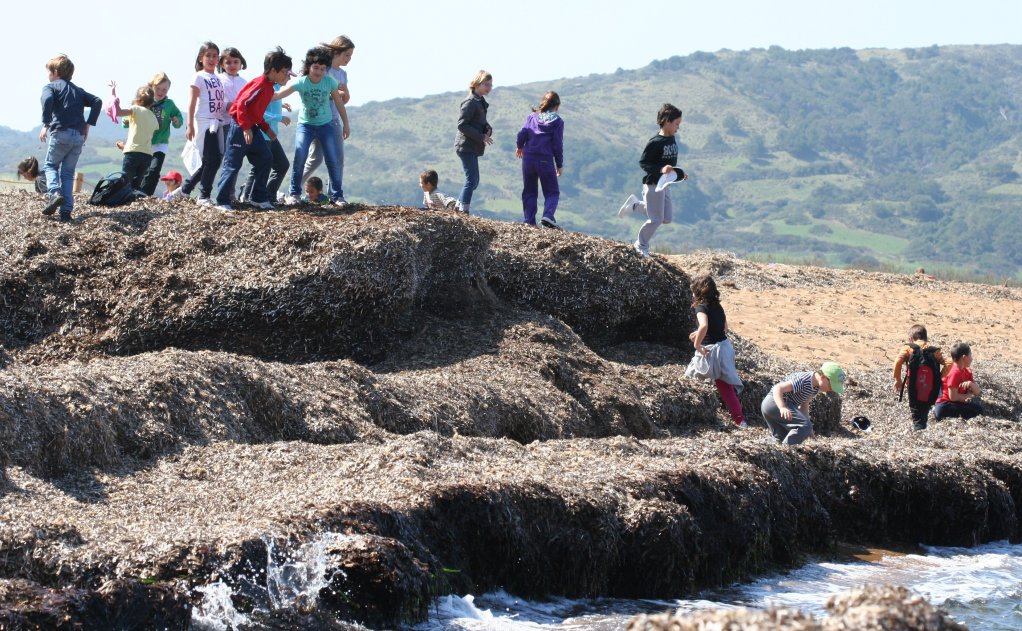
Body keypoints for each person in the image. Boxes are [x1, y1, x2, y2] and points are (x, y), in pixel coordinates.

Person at [212, 47, 294, 211]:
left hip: (254, 127)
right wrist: (245, 128)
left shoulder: (270, 88)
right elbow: (241, 104)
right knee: (232, 164)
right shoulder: (259, 84)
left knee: (266, 158)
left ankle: (258, 197)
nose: (287, 77)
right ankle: (221, 201)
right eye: (285, 72)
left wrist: (265, 128)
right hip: (239, 128)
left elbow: (256, 112)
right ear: (273, 71)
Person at [275, 47, 349, 206]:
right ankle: (294, 193)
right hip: (306, 126)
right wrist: (259, 94)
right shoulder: (302, 82)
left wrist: (346, 124)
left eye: (323, 69)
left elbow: (339, 103)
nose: (319, 71)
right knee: (300, 156)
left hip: (326, 125)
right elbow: (279, 95)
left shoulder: (329, 82)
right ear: (309, 66)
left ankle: (337, 196)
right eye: (316, 67)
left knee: (332, 160)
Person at [618, 103, 687, 257]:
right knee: (656, 219)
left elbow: (669, 164)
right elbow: (644, 163)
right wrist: (661, 170)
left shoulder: (672, 139)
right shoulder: (655, 142)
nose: (678, 127)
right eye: (676, 124)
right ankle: (641, 244)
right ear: (667, 121)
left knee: (666, 218)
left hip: (665, 183)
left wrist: (679, 174)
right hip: (653, 184)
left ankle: (635, 206)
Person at [39, 54, 102, 221]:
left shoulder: (50, 87)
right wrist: (88, 124)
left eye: (48, 71)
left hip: (60, 132)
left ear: (55, 72)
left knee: (51, 166)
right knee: (67, 173)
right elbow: (97, 101)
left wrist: (46, 123)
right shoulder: (78, 91)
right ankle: (66, 211)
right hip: (78, 137)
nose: (47, 75)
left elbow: (47, 100)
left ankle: (54, 194)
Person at [684, 275, 747, 427]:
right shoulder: (717, 306)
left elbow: (704, 326)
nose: (692, 294)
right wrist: (698, 332)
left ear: (698, 292)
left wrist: (697, 344)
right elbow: (724, 327)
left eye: (693, 291)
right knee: (725, 386)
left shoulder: (700, 308)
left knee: (689, 377)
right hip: (726, 347)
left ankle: (693, 417)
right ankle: (741, 421)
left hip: (712, 351)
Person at [301, 35, 354, 203]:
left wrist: (342, 96)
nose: (348, 59)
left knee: (338, 159)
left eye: (351, 56)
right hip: (318, 119)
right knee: (315, 158)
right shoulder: (325, 69)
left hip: (334, 120)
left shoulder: (342, 73)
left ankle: (336, 194)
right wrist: (336, 93)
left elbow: (345, 96)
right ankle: (294, 188)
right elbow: (321, 91)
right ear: (337, 52)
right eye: (347, 55)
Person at [178, 42, 226, 205]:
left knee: (210, 160)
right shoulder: (198, 76)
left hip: (216, 122)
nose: (212, 59)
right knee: (212, 159)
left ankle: (185, 188)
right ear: (201, 58)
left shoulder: (217, 78)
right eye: (208, 55)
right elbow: (191, 102)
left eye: (215, 56)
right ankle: (204, 195)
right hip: (204, 122)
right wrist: (190, 124)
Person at [761, 362, 845, 445]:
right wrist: (782, 407)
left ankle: (768, 449)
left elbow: (804, 406)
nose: (831, 389)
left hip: (773, 406)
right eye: (831, 386)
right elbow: (778, 388)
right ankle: (787, 451)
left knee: (781, 437)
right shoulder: (804, 380)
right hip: (775, 403)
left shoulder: (815, 387)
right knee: (804, 426)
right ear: (822, 377)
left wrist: (809, 429)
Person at [515, 90, 564, 228]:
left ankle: (529, 221)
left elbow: (522, 133)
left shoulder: (532, 117)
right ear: (557, 106)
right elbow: (557, 144)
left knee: (529, 191)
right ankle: (548, 216)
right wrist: (559, 164)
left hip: (528, 158)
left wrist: (519, 146)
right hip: (545, 160)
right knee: (552, 191)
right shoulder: (557, 121)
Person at [892, 324, 952, 431]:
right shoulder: (934, 351)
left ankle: (918, 429)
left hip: (914, 385)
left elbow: (898, 361)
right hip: (930, 387)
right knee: (925, 409)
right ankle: (921, 427)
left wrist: (898, 380)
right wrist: (940, 377)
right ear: (926, 338)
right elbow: (950, 363)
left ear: (911, 338)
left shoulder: (908, 348)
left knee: (916, 410)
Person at [240, 82, 292, 204]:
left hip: (272, 135)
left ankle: (267, 195)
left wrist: (281, 106)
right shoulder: (267, 88)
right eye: (286, 74)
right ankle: (247, 197)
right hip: (262, 134)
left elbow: (268, 105)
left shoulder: (277, 88)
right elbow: (258, 113)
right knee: (259, 167)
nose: (288, 78)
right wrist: (279, 117)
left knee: (282, 165)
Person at [454, 70, 493, 215]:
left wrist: (488, 128)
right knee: (472, 179)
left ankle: (458, 206)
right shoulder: (470, 102)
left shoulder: (480, 102)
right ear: (476, 84)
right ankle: (463, 209)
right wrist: (481, 137)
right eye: (486, 85)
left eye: (490, 85)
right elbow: (462, 125)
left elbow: (479, 122)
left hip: (472, 146)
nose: (489, 88)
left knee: (474, 181)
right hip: (465, 145)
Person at [138, 73, 184, 196]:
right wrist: (126, 121)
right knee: (142, 170)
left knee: (154, 170)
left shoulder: (169, 104)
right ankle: (136, 191)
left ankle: (146, 194)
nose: (160, 92)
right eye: (157, 88)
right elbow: (132, 114)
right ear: (151, 87)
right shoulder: (145, 102)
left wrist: (176, 120)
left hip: (160, 143)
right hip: (144, 143)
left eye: (164, 90)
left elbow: (179, 118)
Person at [109, 82, 159, 191]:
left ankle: (122, 201)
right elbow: (143, 139)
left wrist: (114, 95)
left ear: (137, 100)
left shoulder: (135, 109)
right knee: (136, 184)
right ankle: (132, 199)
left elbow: (118, 112)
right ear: (151, 103)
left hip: (132, 153)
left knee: (125, 181)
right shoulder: (154, 118)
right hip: (147, 155)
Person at [934, 343, 984, 420]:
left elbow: (978, 392)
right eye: (970, 355)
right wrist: (968, 395)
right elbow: (953, 397)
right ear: (964, 358)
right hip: (944, 406)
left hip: (953, 403)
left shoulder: (966, 371)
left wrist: (971, 384)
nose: (972, 358)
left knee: (979, 408)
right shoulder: (955, 372)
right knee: (978, 410)